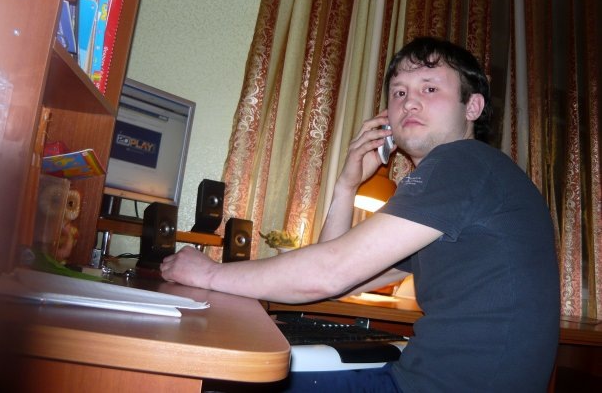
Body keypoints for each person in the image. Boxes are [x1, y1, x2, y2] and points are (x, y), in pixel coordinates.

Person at [161, 37, 560, 392]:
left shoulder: (462, 163)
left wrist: (208, 274)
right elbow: (342, 282)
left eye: (430, 88)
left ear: (472, 106)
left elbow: (328, 273)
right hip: (424, 380)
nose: (409, 102)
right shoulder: (467, 183)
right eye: (399, 92)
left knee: (224, 382)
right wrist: (346, 186)